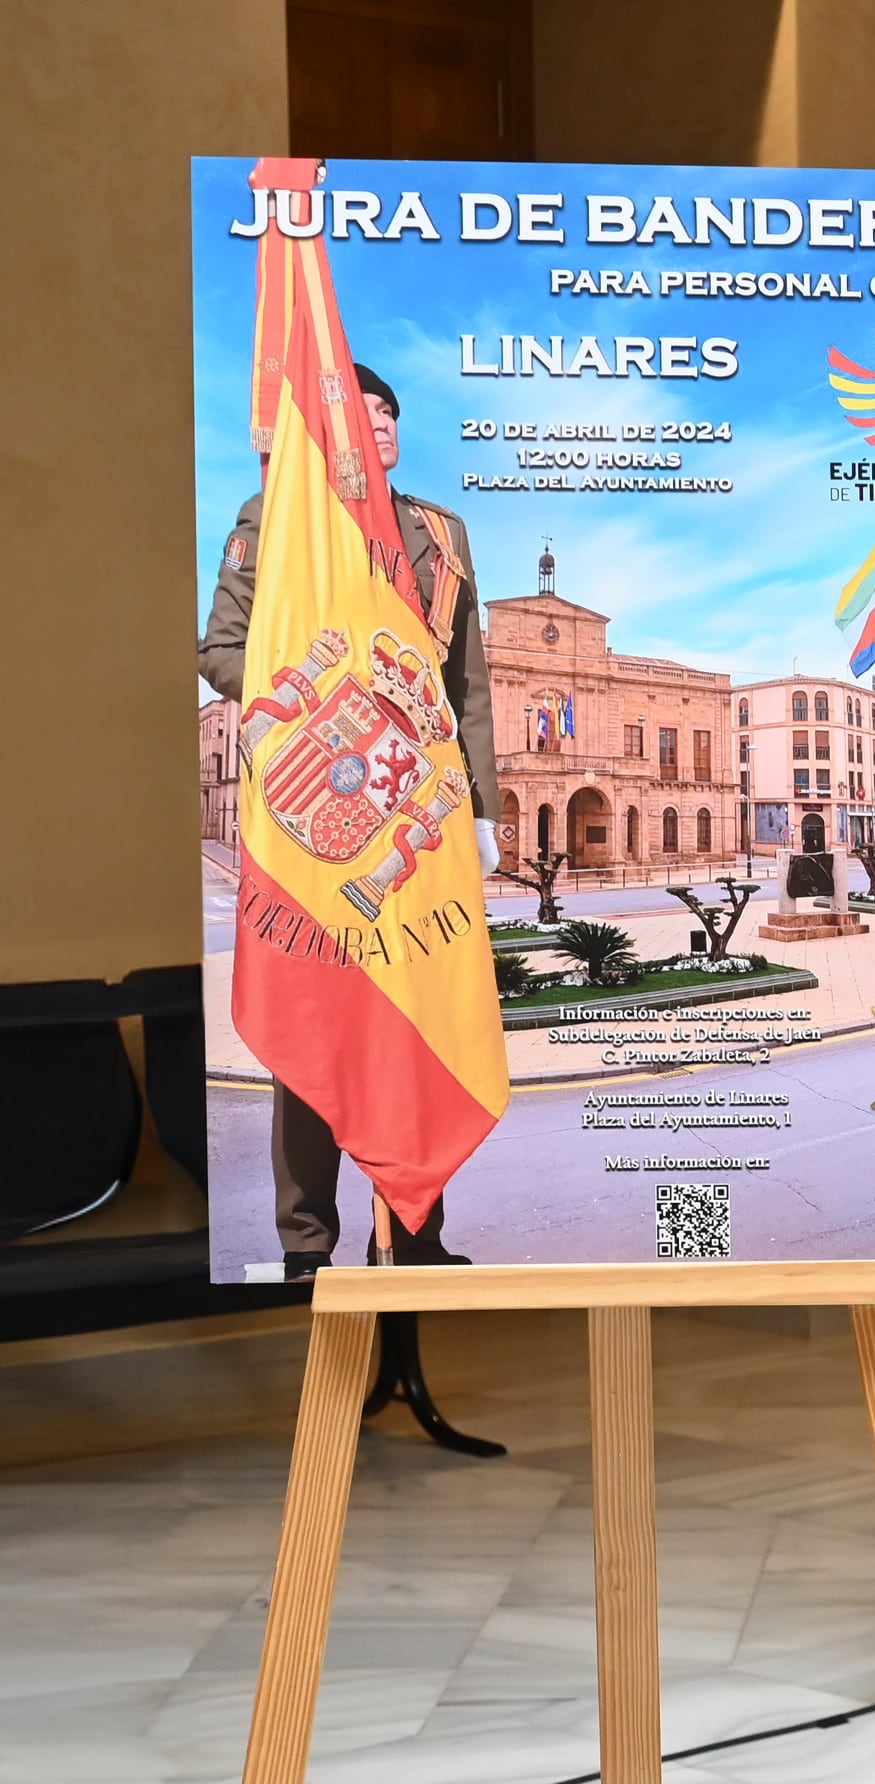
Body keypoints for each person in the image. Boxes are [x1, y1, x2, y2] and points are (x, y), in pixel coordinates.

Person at [199, 361, 495, 1272]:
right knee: (317, 1031)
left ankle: (417, 1242)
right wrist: (320, 693)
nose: (383, 425)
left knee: (421, 1022)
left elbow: (469, 686)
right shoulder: (278, 521)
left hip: (420, 815)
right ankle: (307, 1250)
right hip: (316, 815)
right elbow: (221, 652)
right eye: (363, 414)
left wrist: (479, 810)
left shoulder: (441, 536)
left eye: (392, 412)